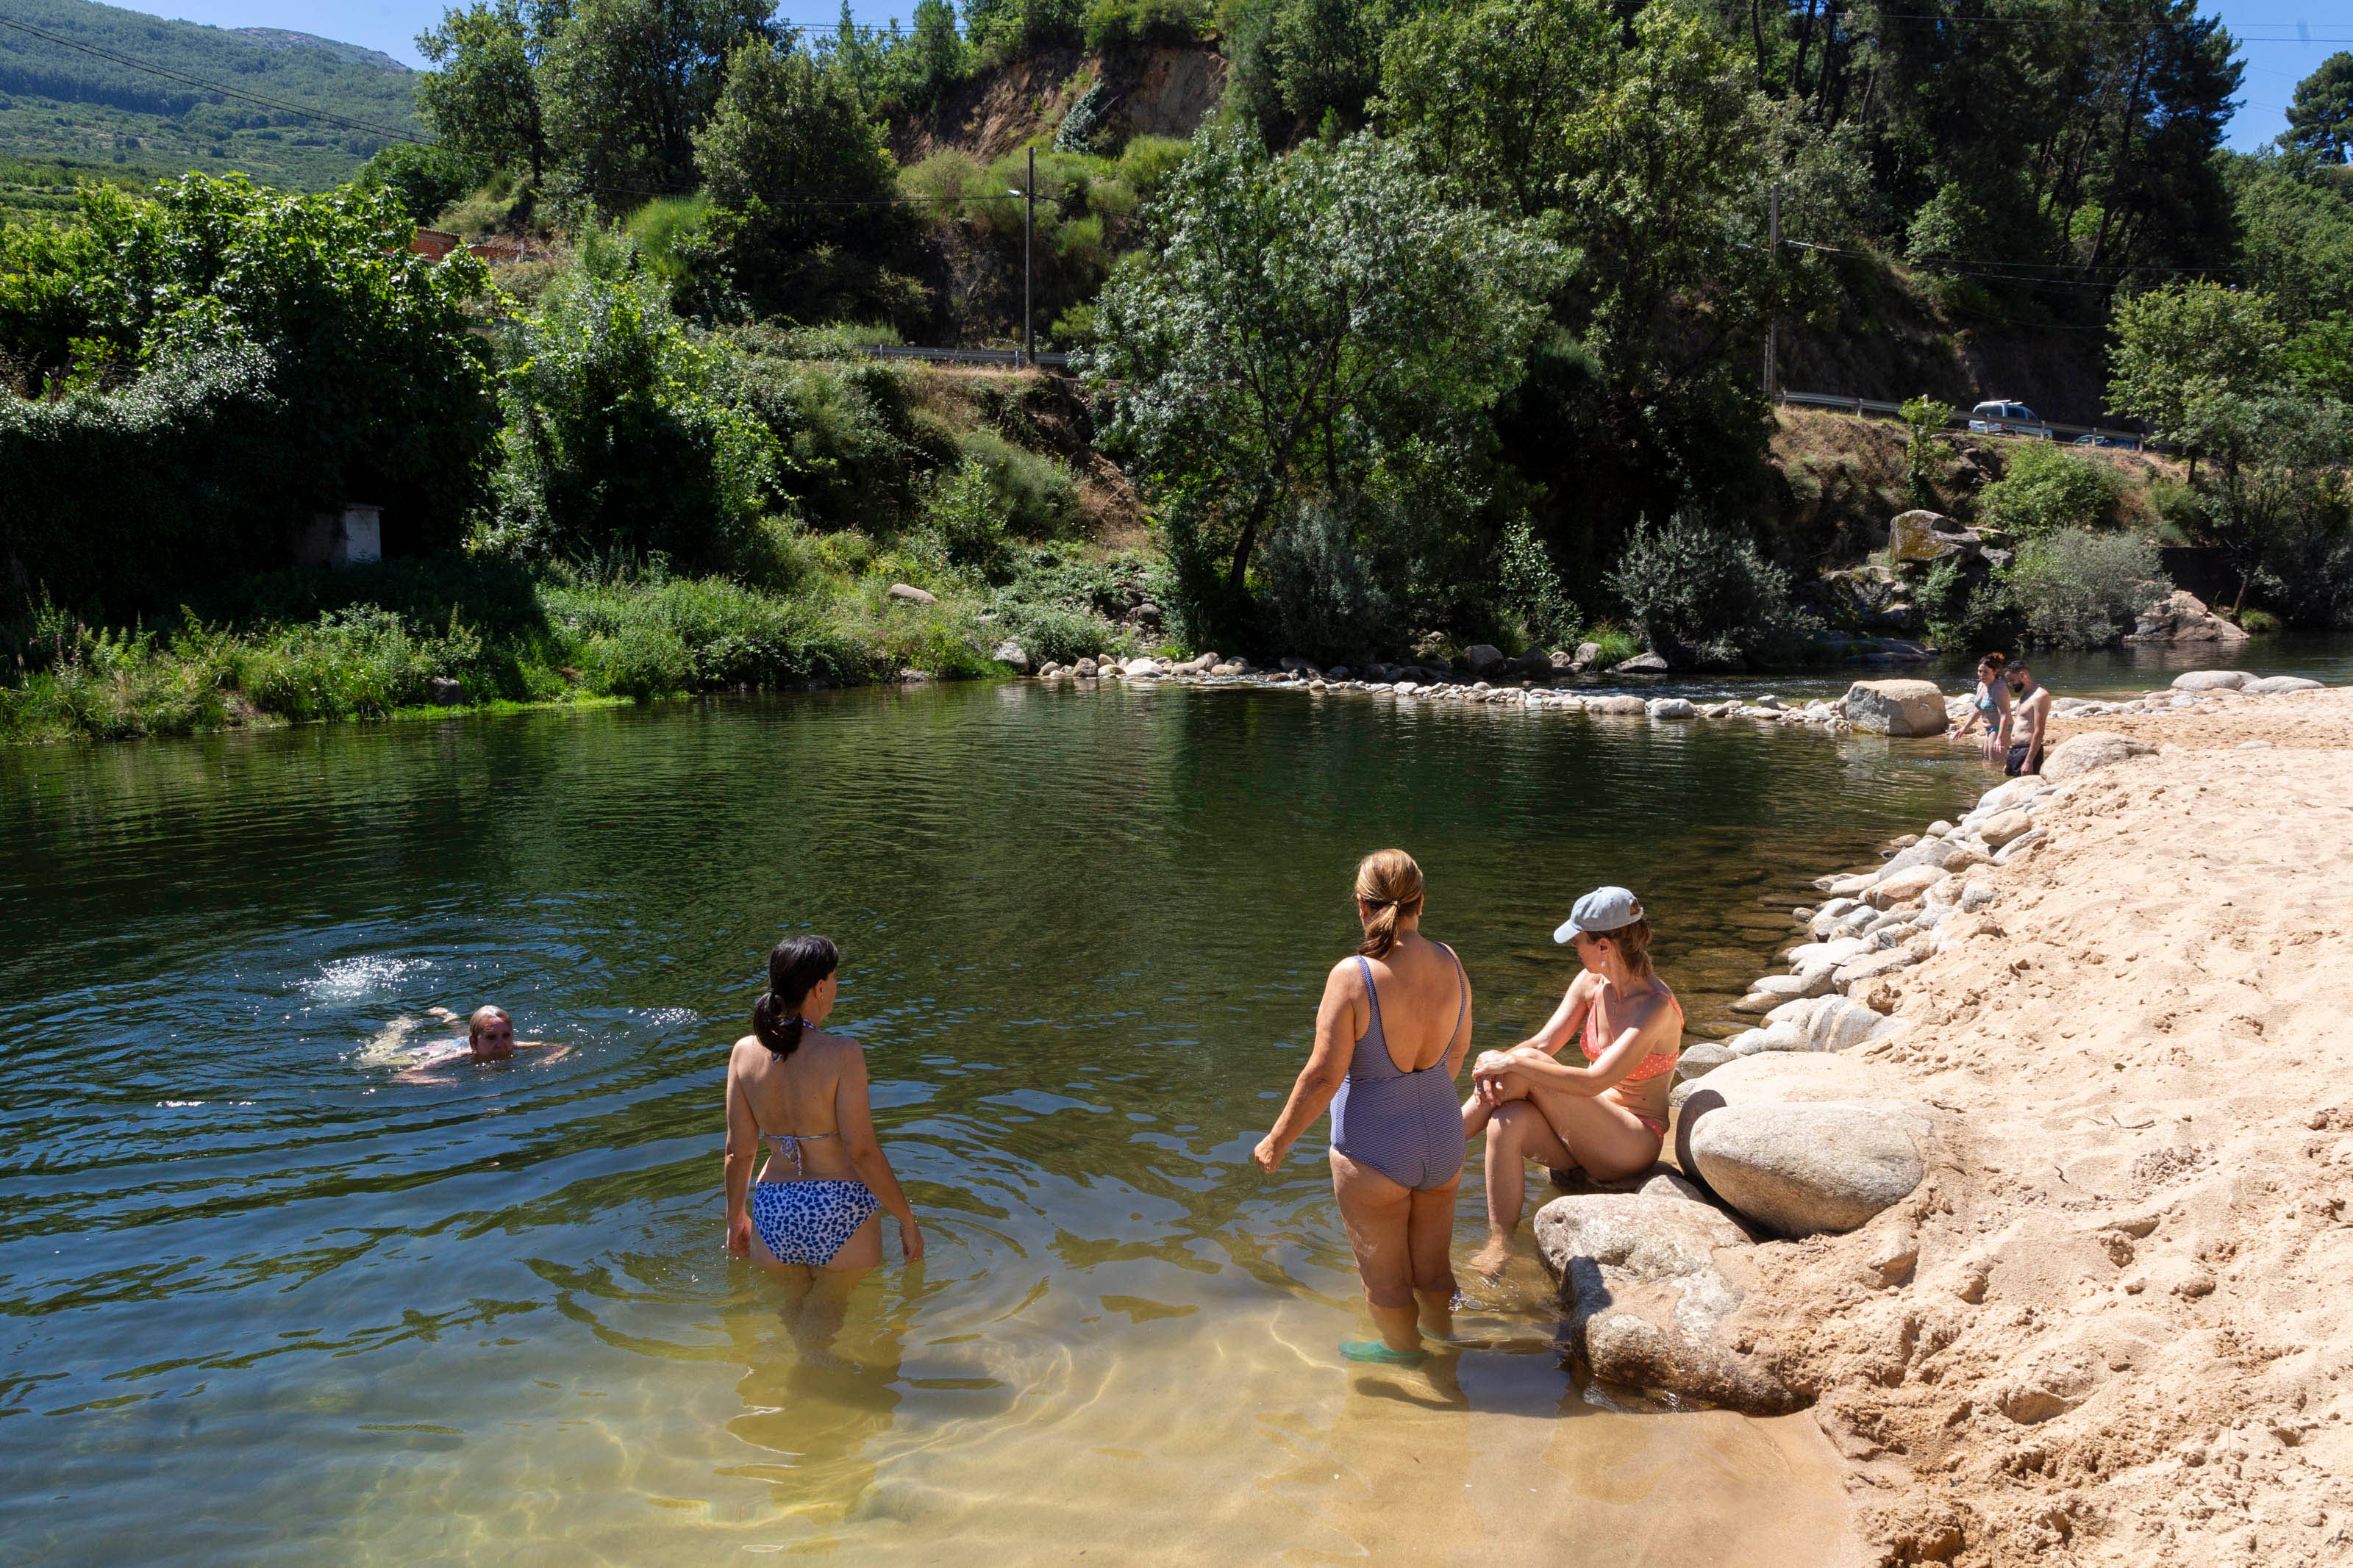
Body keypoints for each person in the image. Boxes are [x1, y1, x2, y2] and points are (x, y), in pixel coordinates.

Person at [1253, 850, 1474, 1366]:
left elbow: (1324, 1075)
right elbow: (1457, 1052)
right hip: (1444, 1134)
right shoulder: (1451, 960)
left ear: (1360, 906)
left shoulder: (1353, 975)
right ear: (1421, 902)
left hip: (1375, 1147)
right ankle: (1447, 1346)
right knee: (1434, 1270)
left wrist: (1277, 1139)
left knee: (1385, 1277)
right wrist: (1424, 1110)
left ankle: (1404, 1360)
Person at [1460, 887, 1682, 1277]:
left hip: (1631, 1141)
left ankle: (1434, 1143)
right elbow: (1543, 1043)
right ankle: (1501, 1243)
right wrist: (1495, 1062)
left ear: (1603, 946)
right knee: (1506, 1121)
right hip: (1583, 1135)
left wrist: (1513, 1061)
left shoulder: (1655, 1006)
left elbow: (1594, 1081)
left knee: (1525, 1064)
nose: (1574, 948)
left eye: (1578, 941)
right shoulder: (1590, 983)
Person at [725, 937, 923, 1339]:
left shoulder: (744, 1052)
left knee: (794, 1318)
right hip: (840, 1206)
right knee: (828, 1319)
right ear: (819, 987)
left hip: (775, 1211)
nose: (836, 986)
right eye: (834, 978)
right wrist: (907, 1219)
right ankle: (818, 1381)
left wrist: (736, 1220)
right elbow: (863, 1151)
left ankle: (794, 1391)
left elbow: (738, 1152)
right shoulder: (843, 1052)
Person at [387, 1005, 567, 1081]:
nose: (500, 1043)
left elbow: (562, 1049)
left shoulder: (515, 1045)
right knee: (379, 1057)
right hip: (440, 1049)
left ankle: (449, 1017)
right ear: (473, 1043)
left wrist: (544, 1062)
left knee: (470, 1032)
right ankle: (399, 1028)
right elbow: (403, 1076)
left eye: (506, 1035)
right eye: (492, 1037)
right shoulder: (459, 1057)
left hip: (469, 1039)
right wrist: (443, 1080)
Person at [1952, 653, 2013, 764]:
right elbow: (1978, 709)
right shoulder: (1981, 685)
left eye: (1986, 672)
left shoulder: (1999, 689)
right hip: (1989, 729)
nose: (1982, 675)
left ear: (1995, 671)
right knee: (1986, 760)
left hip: (2000, 729)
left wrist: (2000, 738)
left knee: (1996, 763)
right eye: (1980, 671)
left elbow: (2005, 715)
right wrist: (1965, 727)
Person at [2005, 658, 2052, 776]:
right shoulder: (2025, 696)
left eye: (2012, 680)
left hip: (2027, 751)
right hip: (2016, 750)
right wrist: (2009, 758)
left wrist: (2028, 760)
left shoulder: (2040, 696)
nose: (2010, 684)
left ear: (2022, 675)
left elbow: (2039, 731)